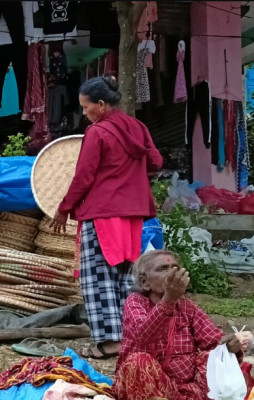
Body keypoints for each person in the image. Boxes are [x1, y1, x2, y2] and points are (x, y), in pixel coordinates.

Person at [52, 76, 162, 359]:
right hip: (133, 214)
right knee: (125, 277)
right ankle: (130, 337)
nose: (84, 114)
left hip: (103, 212)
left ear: (101, 105)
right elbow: (156, 163)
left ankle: (110, 343)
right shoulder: (137, 127)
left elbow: (84, 176)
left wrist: (64, 208)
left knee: (97, 279)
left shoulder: (98, 133)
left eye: (86, 108)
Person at [112, 250, 253, 400]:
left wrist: (230, 345)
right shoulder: (135, 302)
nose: (172, 273)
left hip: (184, 392)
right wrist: (169, 300)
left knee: (214, 359)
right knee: (138, 362)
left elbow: (214, 342)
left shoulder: (188, 308)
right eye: (163, 269)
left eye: (175, 268)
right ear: (144, 282)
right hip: (147, 387)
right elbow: (144, 336)